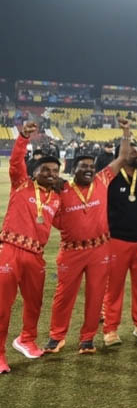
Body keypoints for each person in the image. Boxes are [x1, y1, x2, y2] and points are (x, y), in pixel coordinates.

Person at [44, 118, 131, 355]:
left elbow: (122, 158)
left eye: (91, 167)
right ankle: (56, 337)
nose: (89, 170)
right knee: (64, 296)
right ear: (74, 170)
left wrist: (125, 131)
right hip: (71, 251)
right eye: (83, 167)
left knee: (95, 295)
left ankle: (87, 339)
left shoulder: (102, 180)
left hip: (99, 249)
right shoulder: (62, 190)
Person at [0, 121, 62, 373]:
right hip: (10, 251)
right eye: (45, 169)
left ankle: (26, 339)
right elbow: (16, 163)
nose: (50, 173)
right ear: (34, 172)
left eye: (55, 170)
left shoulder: (57, 198)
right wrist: (23, 138)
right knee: (3, 306)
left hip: (36, 256)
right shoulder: (21, 184)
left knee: (34, 303)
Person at [102, 134, 137, 346]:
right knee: (114, 288)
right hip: (118, 241)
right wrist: (126, 134)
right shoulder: (110, 179)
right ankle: (110, 330)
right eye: (132, 150)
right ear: (121, 156)